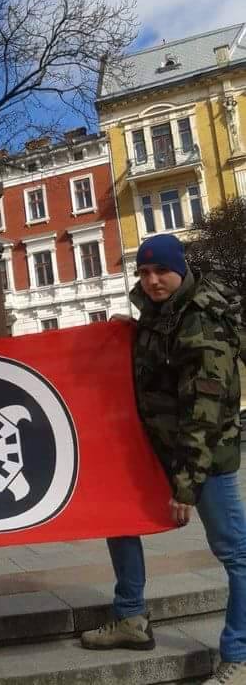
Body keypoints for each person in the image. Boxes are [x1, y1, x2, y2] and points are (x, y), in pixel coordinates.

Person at [80, 234, 245, 684]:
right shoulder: (160, 313)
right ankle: (131, 618)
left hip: (206, 456)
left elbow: (203, 414)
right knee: (119, 519)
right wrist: (129, 334)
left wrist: (185, 488)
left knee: (236, 553)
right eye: (144, 273)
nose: (152, 281)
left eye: (161, 272)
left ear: (182, 270)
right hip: (158, 446)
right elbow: (159, 364)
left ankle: (240, 653)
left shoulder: (202, 325)